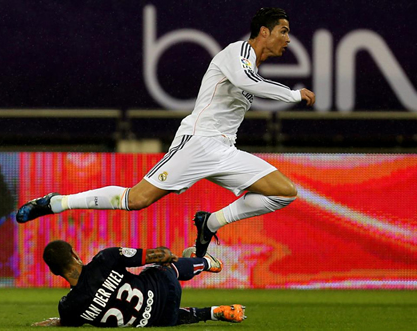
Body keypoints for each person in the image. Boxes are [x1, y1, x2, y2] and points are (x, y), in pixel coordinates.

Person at [16, 7, 316, 258]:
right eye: (283, 31)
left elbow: (251, 80)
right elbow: (246, 80)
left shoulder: (252, 66)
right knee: (136, 199)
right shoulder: (235, 52)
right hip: (197, 143)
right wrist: (293, 94)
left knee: (284, 192)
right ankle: (56, 202)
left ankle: (211, 223)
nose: (288, 39)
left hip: (225, 150)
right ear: (264, 31)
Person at [32, 240, 246, 327]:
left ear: (53, 271)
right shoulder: (105, 259)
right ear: (74, 254)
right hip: (165, 287)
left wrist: (54, 320)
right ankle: (207, 262)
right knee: (163, 268)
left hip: (160, 320)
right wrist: (170, 257)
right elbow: (160, 255)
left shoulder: (69, 307)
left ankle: (212, 312)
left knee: (154, 315)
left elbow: (65, 322)